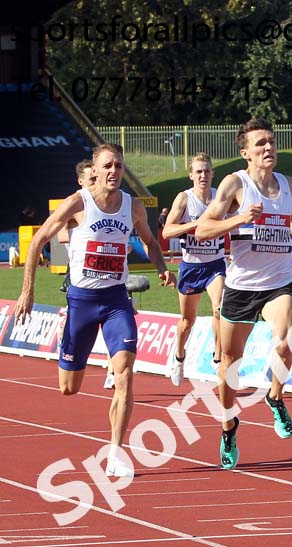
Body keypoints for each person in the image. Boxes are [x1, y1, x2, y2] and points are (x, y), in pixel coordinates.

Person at [13, 143, 176, 477]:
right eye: (108, 166)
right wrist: (27, 291)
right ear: (96, 170)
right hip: (81, 302)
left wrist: (160, 265)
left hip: (116, 300)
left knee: (126, 374)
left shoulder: (131, 206)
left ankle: (116, 450)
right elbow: (40, 239)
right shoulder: (78, 202)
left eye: (118, 165)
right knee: (68, 388)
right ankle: (72, 338)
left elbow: (148, 239)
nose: (114, 171)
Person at [196, 118, 292, 470]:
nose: (268, 148)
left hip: (279, 283)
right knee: (229, 367)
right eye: (260, 145)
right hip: (241, 288)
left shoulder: (289, 184)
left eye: (271, 142)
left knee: (286, 342)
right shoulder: (234, 184)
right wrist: (238, 219)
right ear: (246, 154)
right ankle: (228, 427)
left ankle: (275, 396)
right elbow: (205, 229)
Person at [162, 153, 226, 387]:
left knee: (220, 308)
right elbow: (167, 232)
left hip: (216, 264)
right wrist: (196, 225)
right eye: (198, 171)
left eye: (207, 171)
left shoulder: (221, 196)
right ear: (191, 175)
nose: (203, 175)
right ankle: (179, 357)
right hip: (191, 266)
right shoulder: (184, 198)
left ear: (212, 174)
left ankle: (218, 359)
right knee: (187, 321)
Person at [57, 160, 119, 389]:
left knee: (119, 324)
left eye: (96, 177)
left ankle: (113, 370)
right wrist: (91, 238)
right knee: (68, 388)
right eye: (90, 179)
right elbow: (60, 235)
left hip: (111, 280)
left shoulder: (110, 203)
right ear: (80, 182)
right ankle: (66, 342)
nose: (95, 182)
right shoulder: (74, 204)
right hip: (79, 278)